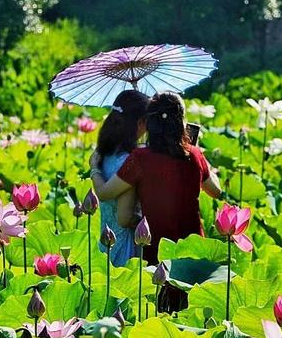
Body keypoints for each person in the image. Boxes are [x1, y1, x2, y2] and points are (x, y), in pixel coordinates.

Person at [89, 91, 221, 265]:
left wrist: (94, 169)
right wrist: (203, 162)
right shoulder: (194, 154)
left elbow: (106, 194)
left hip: (156, 251)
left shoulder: (139, 158)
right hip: (194, 248)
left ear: (150, 123)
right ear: (181, 122)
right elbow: (216, 191)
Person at [94, 90, 150, 266]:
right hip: (126, 247)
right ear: (140, 122)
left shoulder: (104, 153)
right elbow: (124, 218)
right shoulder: (128, 161)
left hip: (105, 245)